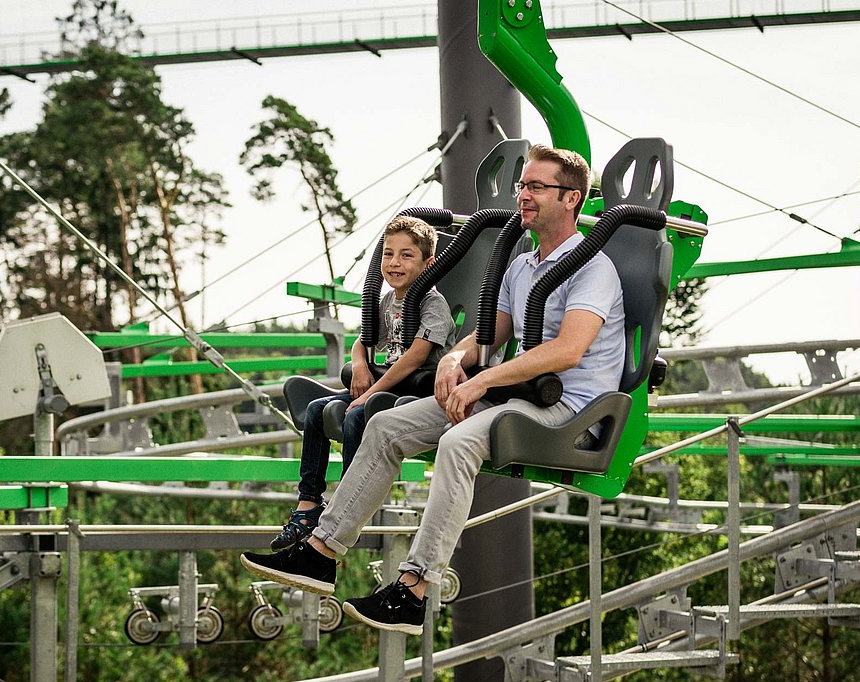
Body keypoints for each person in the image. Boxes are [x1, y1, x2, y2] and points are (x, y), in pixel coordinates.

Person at [242, 144, 624, 635]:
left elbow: (568, 351)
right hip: (519, 396)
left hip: (570, 413)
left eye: (535, 187)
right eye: (521, 186)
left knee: (458, 441)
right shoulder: (523, 266)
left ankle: (416, 588)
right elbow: (493, 331)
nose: (523, 196)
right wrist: (453, 358)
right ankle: (321, 551)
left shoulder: (593, 268)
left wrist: (482, 377)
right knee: (384, 424)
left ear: (571, 199)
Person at [266, 215, 456, 552]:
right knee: (315, 410)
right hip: (387, 382)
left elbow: (416, 356)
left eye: (406, 255)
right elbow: (363, 341)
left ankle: (344, 505)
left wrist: (369, 393)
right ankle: (308, 504)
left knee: (355, 416)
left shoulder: (433, 304)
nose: (394, 263)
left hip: (416, 390)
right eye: (388, 254)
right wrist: (359, 366)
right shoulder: (388, 302)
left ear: (429, 264)